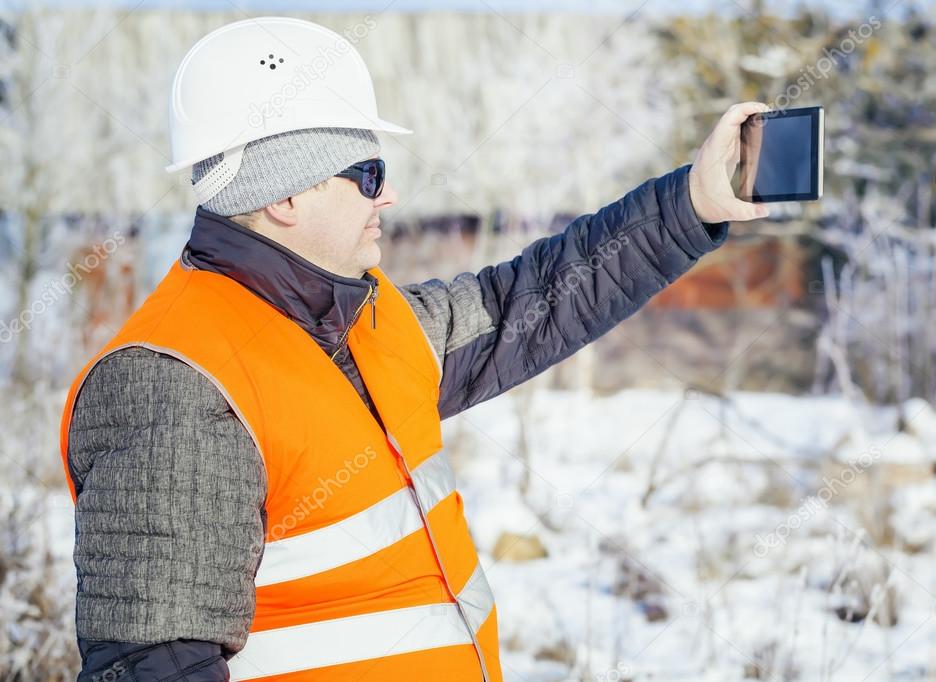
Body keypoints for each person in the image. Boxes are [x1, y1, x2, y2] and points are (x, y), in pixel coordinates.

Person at [59, 16, 770, 682]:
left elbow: (529, 300)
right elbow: (152, 662)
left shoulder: (366, 320)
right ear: (285, 196)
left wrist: (691, 203)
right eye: (367, 172)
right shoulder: (172, 382)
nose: (389, 194)